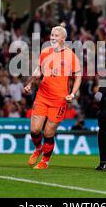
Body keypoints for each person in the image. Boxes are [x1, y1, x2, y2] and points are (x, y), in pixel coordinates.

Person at [23, 23, 82, 170]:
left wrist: (72, 94)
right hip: (42, 96)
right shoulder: (45, 52)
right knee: (35, 130)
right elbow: (38, 70)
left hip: (59, 100)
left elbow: (78, 77)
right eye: (52, 35)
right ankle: (38, 148)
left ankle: (45, 161)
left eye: (56, 35)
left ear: (63, 38)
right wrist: (30, 84)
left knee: (49, 132)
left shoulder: (71, 56)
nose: (53, 37)